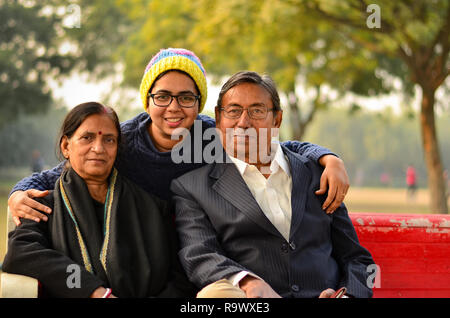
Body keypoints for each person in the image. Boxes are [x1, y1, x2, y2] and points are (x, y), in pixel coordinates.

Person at [8, 48, 348, 225]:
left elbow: (280, 146)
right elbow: (61, 172)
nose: (174, 107)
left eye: (186, 97)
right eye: (163, 96)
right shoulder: (123, 141)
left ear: (198, 103)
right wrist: (19, 192)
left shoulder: (209, 135)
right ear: (148, 100)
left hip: (198, 253)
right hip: (139, 253)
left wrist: (327, 157)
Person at [171, 71, 375, 298]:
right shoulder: (192, 188)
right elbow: (200, 255)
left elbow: (357, 259)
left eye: (257, 111)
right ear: (219, 119)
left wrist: (347, 296)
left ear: (276, 119)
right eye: (233, 111)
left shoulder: (318, 174)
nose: (243, 122)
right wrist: (247, 282)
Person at [2, 102, 194, 298]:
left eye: (109, 140)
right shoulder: (44, 206)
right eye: (87, 138)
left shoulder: (153, 209)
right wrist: (94, 291)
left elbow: (179, 279)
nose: (98, 148)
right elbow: (21, 253)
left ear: (117, 149)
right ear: (66, 146)